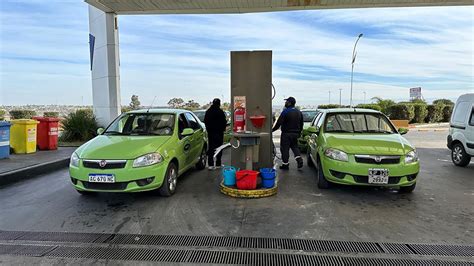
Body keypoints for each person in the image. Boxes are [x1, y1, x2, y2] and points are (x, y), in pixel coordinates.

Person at [272, 97, 304, 170]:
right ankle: (299, 159)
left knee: (285, 149)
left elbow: (279, 123)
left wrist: (272, 130)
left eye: (286, 102)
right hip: (295, 134)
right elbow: (301, 124)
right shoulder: (299, 112)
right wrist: (299, 132)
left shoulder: (285, 112)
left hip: (286, 134)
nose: (285, 103)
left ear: (289, 103)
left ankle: (285, 165)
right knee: (295, 147)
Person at [204, 98, 228, 170]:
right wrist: (223, 129)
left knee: (211, 148)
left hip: (211, 133)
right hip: (219, 133)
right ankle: (218, 164)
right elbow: (224, 122)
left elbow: (205, 121)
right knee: (219, 148)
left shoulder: (208, 111)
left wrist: (209, 130)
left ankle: (210, 165)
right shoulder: (220, 112)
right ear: (219, 104)